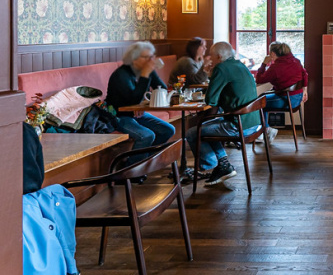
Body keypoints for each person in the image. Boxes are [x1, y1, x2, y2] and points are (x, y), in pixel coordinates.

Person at [185, 42, 261, 186]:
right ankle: (222, 165)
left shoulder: (221, 68)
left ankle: (216, 165)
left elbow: (210, 100)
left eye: (212, 57)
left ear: (219, 56)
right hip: (254, 122)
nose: (210, 59)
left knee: (193, 132)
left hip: (238, 124)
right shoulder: (239, 64)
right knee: (207, 125)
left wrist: (212, 74)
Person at [106, 41, 175, 153]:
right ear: (134, 59)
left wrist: (149, 73)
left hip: (135, 114)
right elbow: (133, 100)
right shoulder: (121, 75)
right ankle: (131, 169)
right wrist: (145, 75)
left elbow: (161, 88)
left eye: (151, 57)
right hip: (118, 116)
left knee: (168, 130)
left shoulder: (145, 71)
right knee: (146, 136)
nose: (150, 61)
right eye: (146, 57)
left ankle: (148, 162)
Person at [254, 41, 309, 146]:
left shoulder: (276, 67)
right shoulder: (296, 61)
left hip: (286, 100)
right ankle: (266, 129)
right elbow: (305, 74)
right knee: (262, 100)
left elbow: (259, 79)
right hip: (297, 98)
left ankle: (266, 130)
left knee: (258, 103)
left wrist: (264, 63)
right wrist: (305, 90)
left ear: (273, 54)